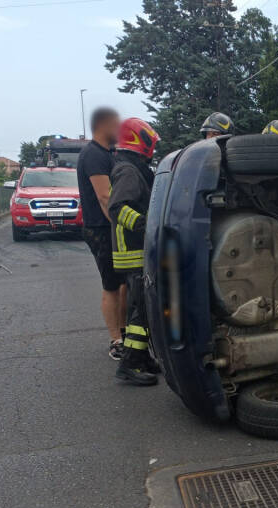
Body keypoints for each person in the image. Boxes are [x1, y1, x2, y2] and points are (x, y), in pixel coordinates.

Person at [108, 118, 162, 386]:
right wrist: (145, 224)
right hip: (134, 252)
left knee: (142, 307)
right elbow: (117, 208)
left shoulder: (132, 167)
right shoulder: (129, 171)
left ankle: (141, 357)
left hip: (136, 250)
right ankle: (129, 364)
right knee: (140, 310)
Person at [77, 107, 126, 360]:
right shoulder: (93, 155)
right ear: (102, 126)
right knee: (112, 286)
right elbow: (105, 197)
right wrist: (122, 226)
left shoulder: (109, 153)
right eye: (115, 125)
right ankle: (116, 340)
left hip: (111, 228)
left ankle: (126, 333)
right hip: (101, 228)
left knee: (125, 284)